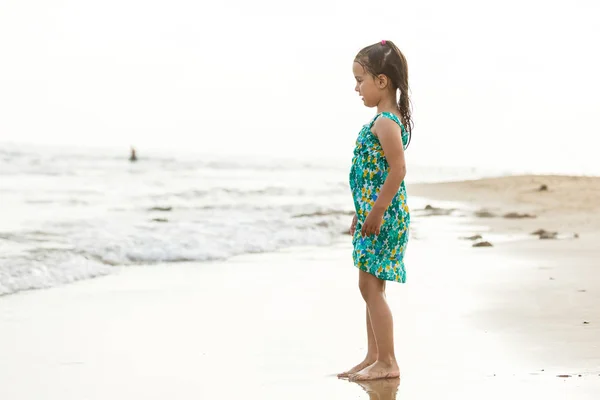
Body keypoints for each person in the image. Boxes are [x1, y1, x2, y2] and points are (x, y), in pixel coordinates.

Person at [339, 40, 413, 381]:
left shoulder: (385, 122)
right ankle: (375, 355)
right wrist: (363, 209)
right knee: (368, 287)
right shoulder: (385, 119)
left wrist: (378, 212)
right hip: (375, 215)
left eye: (360, 79)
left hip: (383, 218)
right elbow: (377, 173)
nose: (356, 88)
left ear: (381, 81)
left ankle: (388, 361)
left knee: (372, 288)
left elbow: (397, 169)